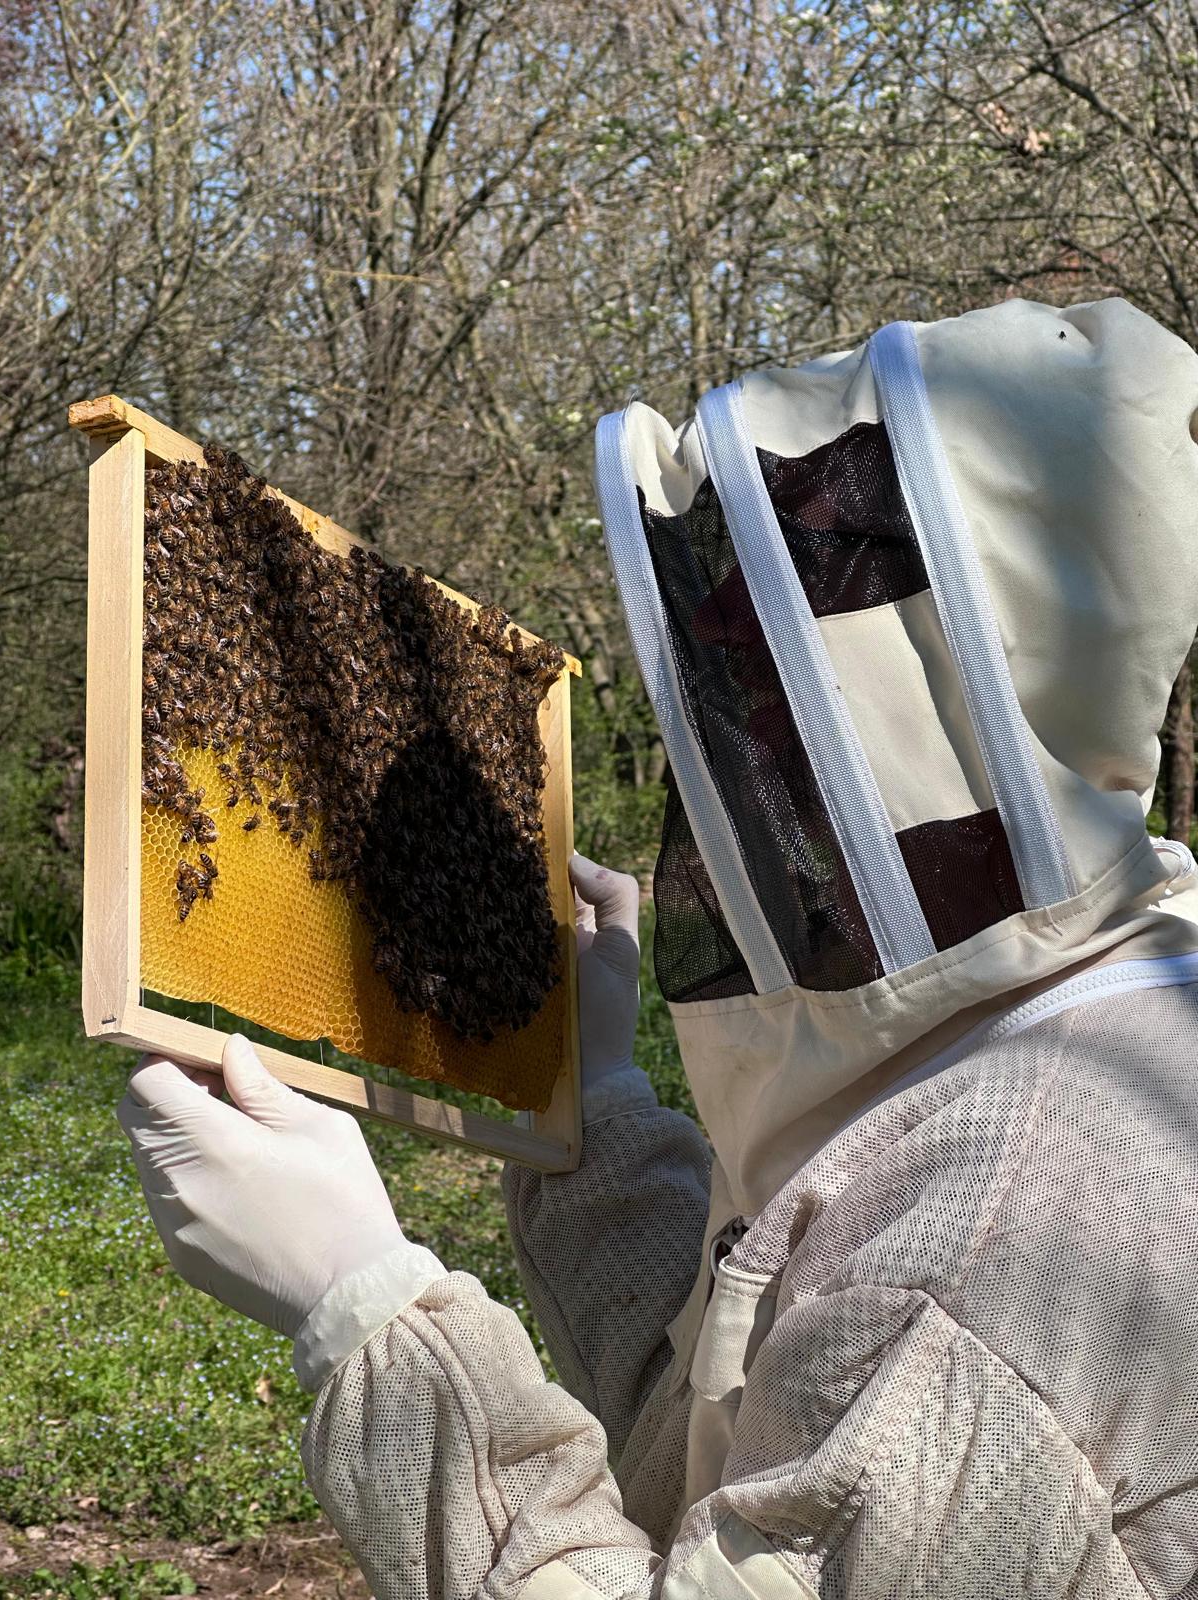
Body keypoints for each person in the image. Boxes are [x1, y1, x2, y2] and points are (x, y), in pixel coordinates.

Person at [120, 297, 1198, 1599]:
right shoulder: (1096, 1018)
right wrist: (598, 1105)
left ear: (954, 667)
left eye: (801, 617)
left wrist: (365, 1311)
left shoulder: (994, 1240)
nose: (732, 685)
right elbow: (722, 1450)